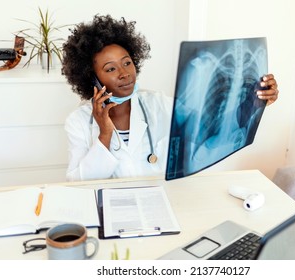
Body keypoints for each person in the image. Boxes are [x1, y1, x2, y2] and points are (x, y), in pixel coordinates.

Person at [61, 14, 279, 182]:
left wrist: (253, 102)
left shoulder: (159, 104)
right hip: (110, 211)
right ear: (92, 78)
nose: (124, 73)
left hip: (162, 202)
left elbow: (209, 129)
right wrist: (105, 132)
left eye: (127, 63)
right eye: (110, 69)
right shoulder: (78, 121)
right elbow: (78, 183)